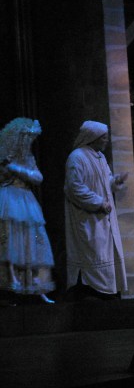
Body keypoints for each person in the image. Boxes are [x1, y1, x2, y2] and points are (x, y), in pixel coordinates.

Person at [64, 120, 128, 300]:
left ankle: (108, 292)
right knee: (93, 253)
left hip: (104, 218)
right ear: (93, 138)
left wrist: (115, 181)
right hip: (88, 218)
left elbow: (106, 181)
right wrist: (99, 202)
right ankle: (92, 292)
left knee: (106, 252)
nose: (106, 141)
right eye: (103, 138)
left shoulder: (100, 157)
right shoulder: (77, 157)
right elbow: (74, 188)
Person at [0, 117, 55, 305]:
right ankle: (11, 285)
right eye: (28, 137)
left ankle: (34, 285)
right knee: (11, 242)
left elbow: (38, 177)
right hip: (8, 199)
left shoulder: (28, 157)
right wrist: (7, 167)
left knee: (31, 242)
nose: (30, 142)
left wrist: (16, 168)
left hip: (25, 200)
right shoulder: (3, 155)